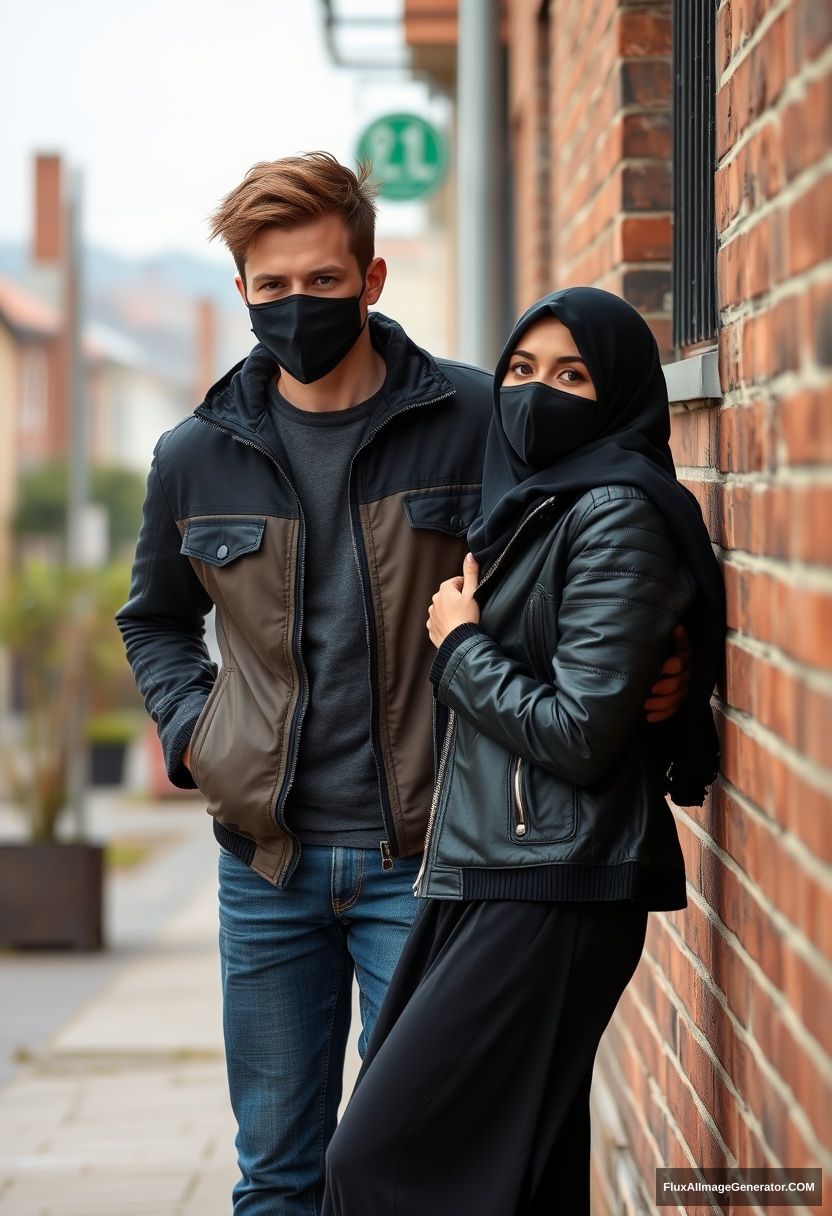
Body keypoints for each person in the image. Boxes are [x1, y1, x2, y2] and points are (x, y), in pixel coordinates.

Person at [116, 156, 691, 1216]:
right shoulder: (193, 453)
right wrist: (197, 732)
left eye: (323, 283)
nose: (298, 307)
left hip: (431, 862)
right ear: (240, 289)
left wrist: (667, 673)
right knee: (279, 1172)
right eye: (272, 286)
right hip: (267, 865)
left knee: (426, 1166)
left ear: (372, 279)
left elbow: (587, 554)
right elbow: (154, 616)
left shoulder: (483, 415)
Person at [322, 286, 726, 1216]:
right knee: (522, 1176)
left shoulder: (615, 513)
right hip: (502, 872)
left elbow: (580, 735)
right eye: (522, 369)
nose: (537, 392)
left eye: (573, 375)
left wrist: (461, 646)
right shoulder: (544, 508)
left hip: (554, 881)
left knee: (374, 1161)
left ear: (619, 392)